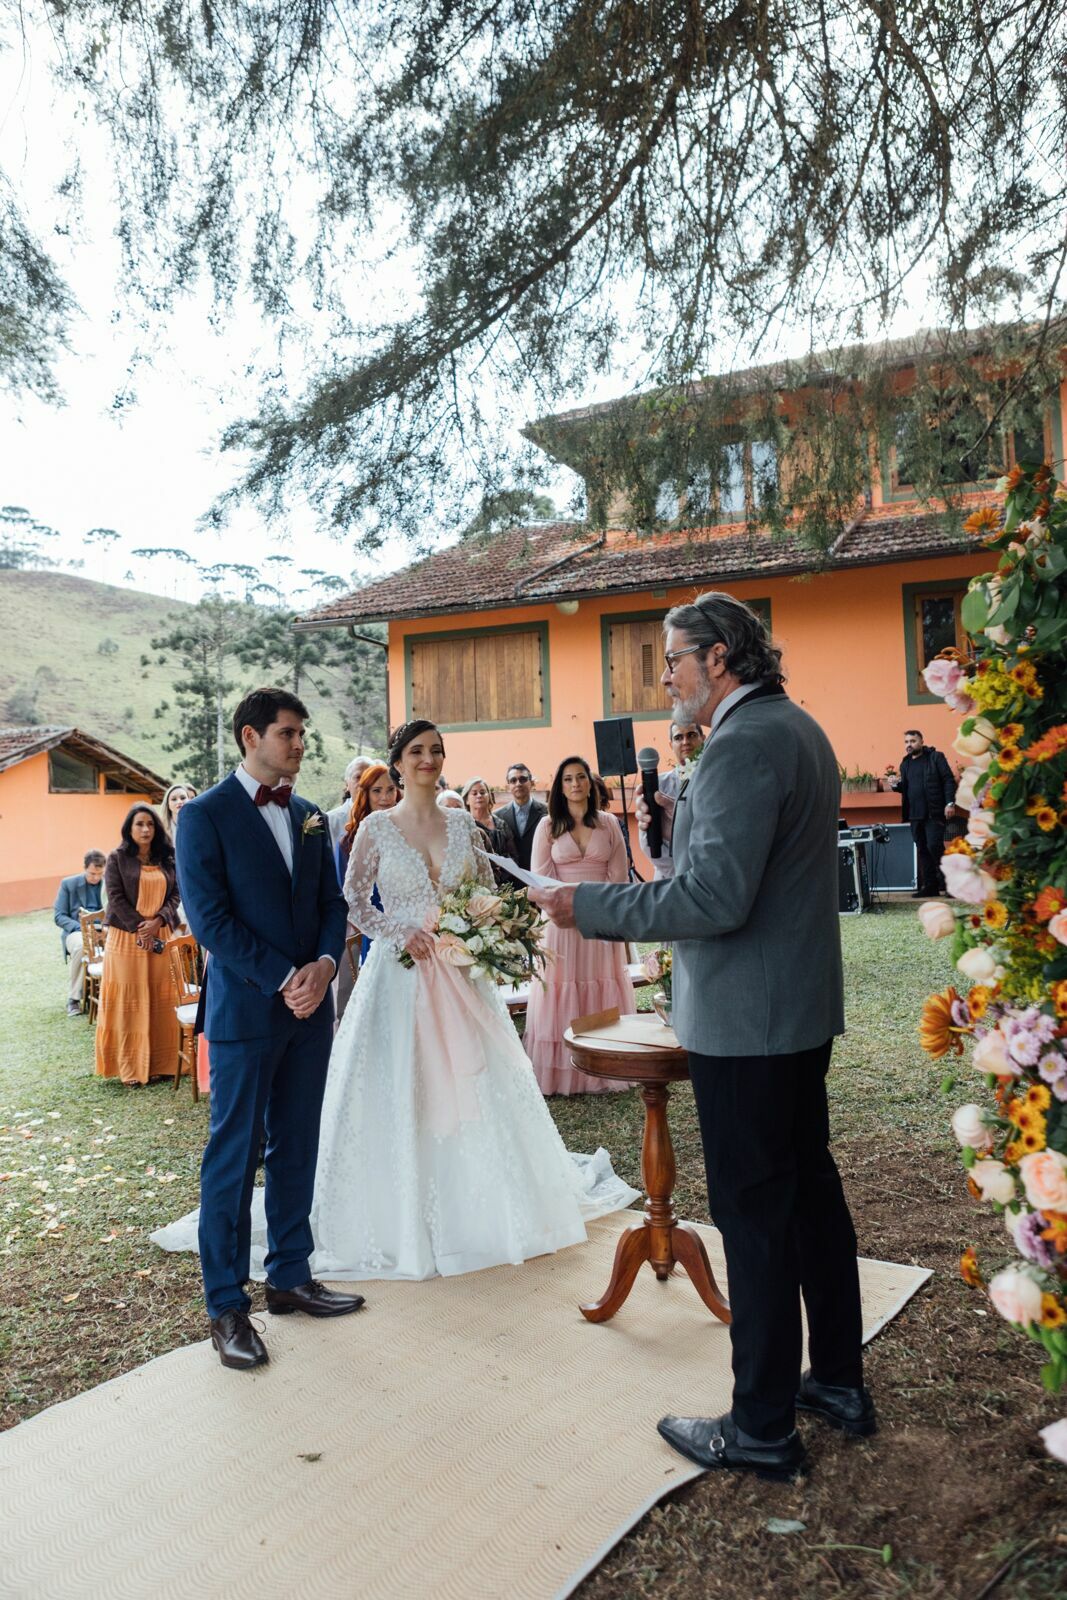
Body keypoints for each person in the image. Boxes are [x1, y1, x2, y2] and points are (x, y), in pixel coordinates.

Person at [530, 592, 869, 1483]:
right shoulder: (799, 729)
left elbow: (713, 899)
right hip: (793, 1013)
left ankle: (759, 1426)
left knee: (754, 1220)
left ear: (718, 658)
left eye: (673, 659)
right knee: (809, 1201)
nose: (666, 677)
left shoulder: (739, 746)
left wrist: (584, 905)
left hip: (747, 1025)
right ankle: (835, 1379)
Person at [174, 686, 362, 1372]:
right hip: (247, 1014)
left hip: (311, 1015)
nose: (300, 744)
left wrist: (320, 965)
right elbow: (211, 921)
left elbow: (330, 904)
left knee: (297, 1146)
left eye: (303, 734)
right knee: (233, 1155)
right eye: (288, 733)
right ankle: (227, 1305)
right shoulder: (203, 816)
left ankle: (289, 1275)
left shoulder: (311, 816)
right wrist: (286, 977)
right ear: (250, 736)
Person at [523, 756, 634, 1096]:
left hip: (601, 917)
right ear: (560, 786)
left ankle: (604, 1067)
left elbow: (619, 875)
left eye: (581, 777)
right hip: (560, 922)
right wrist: (568, 907)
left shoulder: (609, 823)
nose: (575, 784)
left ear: (590, 782)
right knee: (562, 985)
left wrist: (601, 910)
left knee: (600, 983)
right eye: (568, 779)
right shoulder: (547, 826)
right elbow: (539, 880)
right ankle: (563, 1072)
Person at [94, 807, 182, 1086]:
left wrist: (157, 921)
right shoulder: (117, 858)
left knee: (163, 997)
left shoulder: (168, 857)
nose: (145, 830)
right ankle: (130, 1067)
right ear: (129, 829)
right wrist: (139, 927)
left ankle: (166, 1063)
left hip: (161, 935)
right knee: (129, 1001)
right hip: (126, 939)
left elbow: (177, 893)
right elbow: (115, 897)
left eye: (150, 825)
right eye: (139, 824)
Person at [335, 761, 398, 1014]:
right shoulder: (349, 840)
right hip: (374, 929)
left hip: (414, 921)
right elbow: (346, 893)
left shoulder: (408, 832)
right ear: (365, 794)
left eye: (390, 790)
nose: (384, 797)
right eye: (377, 790)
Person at [887, 730, 956, 897]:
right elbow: (907, 788)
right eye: (906, 742)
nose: (909, 744)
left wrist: (949, 803)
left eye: (913, 741)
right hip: (914, 814)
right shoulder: (905, 764)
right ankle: (931, 886)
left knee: (935, 846)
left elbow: (948, 779)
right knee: (923, 849)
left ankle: (950, 886)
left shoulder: (935, 757)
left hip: (934, 812)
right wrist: (896, 785)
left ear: (922, 741)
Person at [637, 722, 704, 881]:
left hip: (708, 877)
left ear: (703, 739)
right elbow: (648, 843)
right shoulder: (658, 786)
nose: (685, 742)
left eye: (692, 735)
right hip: (669, 880)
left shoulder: (716, 780)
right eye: (678, 737)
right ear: (671, 744)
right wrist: (683, 876)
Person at [54, 850, 106, 1016]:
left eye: (100, 874)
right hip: (77, 930)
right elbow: (59, 915)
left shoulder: (109, 884)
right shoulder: (68, 884)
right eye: (92, 873)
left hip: (104, 929)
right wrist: (81, 928)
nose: (96, 878)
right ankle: (74, 999)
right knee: (81, 945)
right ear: (84, 868)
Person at [493, 763, 548, 873]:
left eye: (523, 779)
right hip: (511, 880)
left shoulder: (547, 812)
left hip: (540, 875)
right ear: (508, 786)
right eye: (513, 780)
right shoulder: (497, 816)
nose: (518, 784)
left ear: (531, 783)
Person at [461, 777, 517, 883]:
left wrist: (502, 876)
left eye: (483, 792)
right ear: (467, 800)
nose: (479, 796)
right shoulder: (465, 825)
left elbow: (513, 855)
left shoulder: (501, 824)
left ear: (489, 796)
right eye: (474, 793)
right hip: (477, 884)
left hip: (506, 882)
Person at [327, 756, 372, 851]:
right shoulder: (330, 820)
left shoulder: (386, 817)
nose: (363, 783)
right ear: (347, 784)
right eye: (358, 777)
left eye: (368, 777)